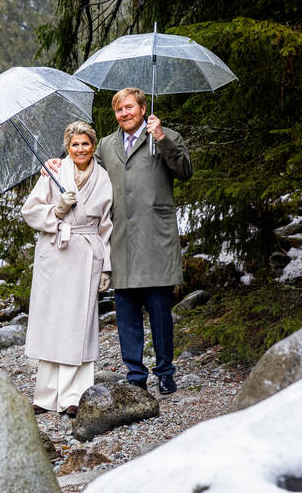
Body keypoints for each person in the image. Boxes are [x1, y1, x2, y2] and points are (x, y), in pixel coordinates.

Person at [45, 87, 192, 395]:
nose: (124, 114)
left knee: (160, 312)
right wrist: (58, 165)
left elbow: (185, 171)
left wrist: (161, 138)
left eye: (129, 108)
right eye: (118, 110)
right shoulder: (108, 146)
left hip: (155, 238)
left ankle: (165, 371)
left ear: (142, 109)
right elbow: (82, 166)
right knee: (126, 312)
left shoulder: (165, 137)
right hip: (120, 239)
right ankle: (135, 374)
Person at [21, 121, 113, 416]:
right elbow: (30, 212)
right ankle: (45, 395)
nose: (80, 149)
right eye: (75, 144)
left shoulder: (104, 178)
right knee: (52, 322)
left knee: (80, 323)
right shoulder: (51, 172)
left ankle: (75, 395)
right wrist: (58, 210)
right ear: (67, 147)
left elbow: (106, 227)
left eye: (85, 143)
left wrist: (107, 268)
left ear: (93, 146)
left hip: (87, 253)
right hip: (55, 251)